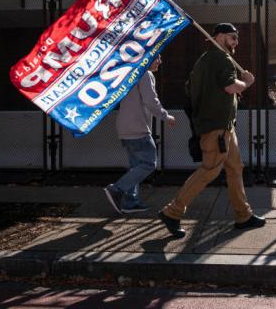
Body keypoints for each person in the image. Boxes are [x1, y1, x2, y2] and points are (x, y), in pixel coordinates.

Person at [158, 23, 265, 237]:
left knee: (235, 168)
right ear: (219, 37)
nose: (236, 42)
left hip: (223, 127)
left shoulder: (204, 60)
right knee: (210, 170)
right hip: (217, 127)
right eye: (232, 37)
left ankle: (243, 216)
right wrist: (247, 83)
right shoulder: (220, 58)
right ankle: (172, 211)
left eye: (237, 38)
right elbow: (230, 87)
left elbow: (192, 88)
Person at [104, 54, 175, 214]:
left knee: (135, 166)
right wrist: (166, 116)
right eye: (157, 57)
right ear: (148, 59)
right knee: (149, 164)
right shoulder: (145, 74)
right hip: (138, 129)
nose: (160, 61)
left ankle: (130, 201)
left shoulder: (131, 74)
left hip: (125, 127)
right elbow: (151, 101)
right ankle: (116, 189)